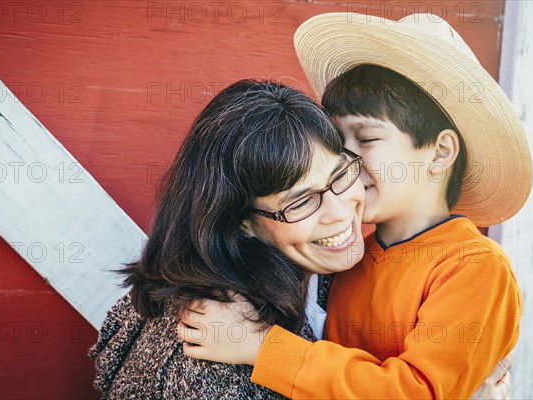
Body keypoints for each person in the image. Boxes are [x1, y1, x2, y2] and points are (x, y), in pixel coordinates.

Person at [178, 13, 532, 399]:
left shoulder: (474, 268)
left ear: (440, 152)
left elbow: (414, 393)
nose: (346, 157)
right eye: (338, 139)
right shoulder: (346, 259)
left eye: (365, 138)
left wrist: (264, 348)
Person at [88, 78, 367, 398]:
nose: (340, 212)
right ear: (241, 222)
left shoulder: (314, 272)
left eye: (340, 174)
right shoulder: (215, 351)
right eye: (301, 201)